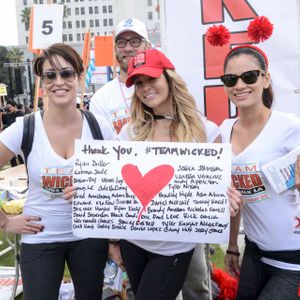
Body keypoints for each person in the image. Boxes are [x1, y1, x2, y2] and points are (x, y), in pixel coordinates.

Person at [110, 48, 242, 300]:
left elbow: (222, 187)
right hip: (133, 243)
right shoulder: (130, 132)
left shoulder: (205, 131)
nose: (145, 87)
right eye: (138, 83)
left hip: (176, 247)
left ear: (169, 78)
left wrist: (225, 200)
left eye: (151, 79)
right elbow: (117, 189)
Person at [0, 43, 115, 300]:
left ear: (79, 76)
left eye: (67, 73)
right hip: (40, 238)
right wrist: (6, 221)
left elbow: (120, 182)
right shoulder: (25, 127)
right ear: (42, 82)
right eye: (50, 75)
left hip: (89, 237)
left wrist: (96, 191)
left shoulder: (100, 128)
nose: (58, 81)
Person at [219, 45, 300, 299]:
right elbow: (234, 198)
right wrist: (233, 246)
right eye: (230, 79)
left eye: (249, 76)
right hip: (255, 253)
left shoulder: (289, 127)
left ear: (265, 79)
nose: (240, 85)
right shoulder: (223, 132)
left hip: (292, 260)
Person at [90, 17, 151, 134]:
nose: (127, 48)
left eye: (135, 42)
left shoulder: (161, 90)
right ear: (115, 49)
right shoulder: (101, 98)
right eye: (121, 42)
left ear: (148, 47)